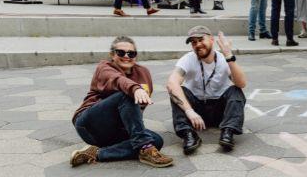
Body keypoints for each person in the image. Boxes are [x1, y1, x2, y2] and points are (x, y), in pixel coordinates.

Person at [71, 36, 172, 168]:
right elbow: (118, 80)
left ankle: (97, 153)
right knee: (125, 95)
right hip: (89, 125)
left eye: (131, 53)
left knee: (156, 141)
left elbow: (137, 109)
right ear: (112, 55)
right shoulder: (104, 68)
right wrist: (135, 89)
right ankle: (145, 149)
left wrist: (135, 130)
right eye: (121, 52)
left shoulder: (143, 73)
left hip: (115, 130)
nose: (126, 56)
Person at [166, 26, 248, 154]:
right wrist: (189, 111)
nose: (198, 44)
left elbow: (241, 83)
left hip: (220, 111)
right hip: (197, 111)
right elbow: (172, 83)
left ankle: (228, 132)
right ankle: (188, 134)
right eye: (193, 42)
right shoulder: (188, 59)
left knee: (235, 90)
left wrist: (229, 55)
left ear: (211, 39)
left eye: (200, 40)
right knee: (176, 91)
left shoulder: (223, 59)